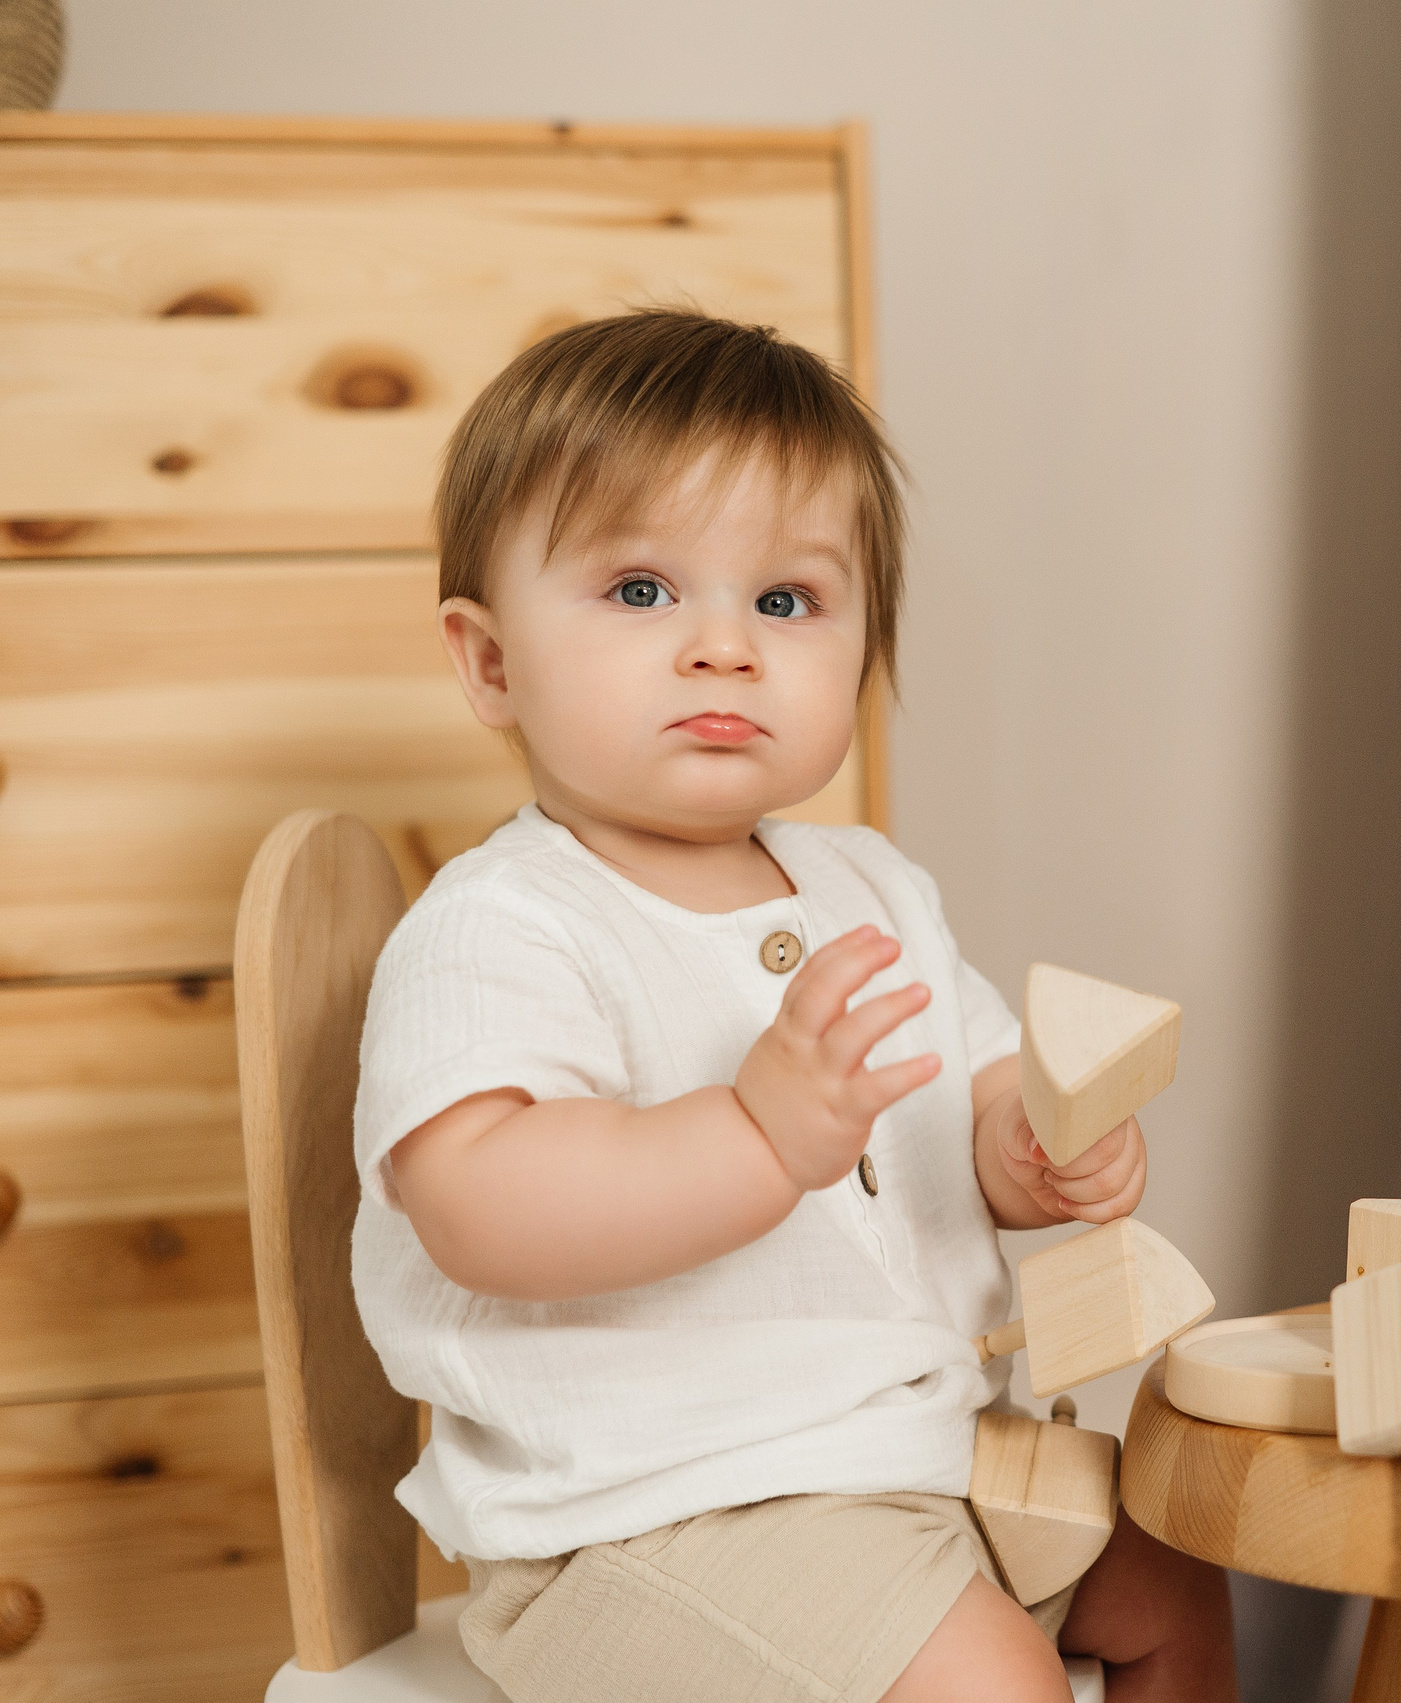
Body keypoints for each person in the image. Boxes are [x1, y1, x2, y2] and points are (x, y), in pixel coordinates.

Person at [350, 309, 1237, 1703]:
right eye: (641, 591)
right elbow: (477, 1204)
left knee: (1177, 1566)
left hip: (918, 1463)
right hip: (654, 1520)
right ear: (490, 661)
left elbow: (978, 1088)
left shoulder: (867, 885)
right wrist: (757, 1139)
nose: (723, 649)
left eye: (784, 602)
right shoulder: (502, 925)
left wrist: (1034, 1151)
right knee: (987, 1684)